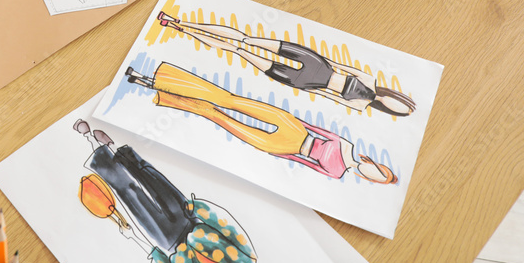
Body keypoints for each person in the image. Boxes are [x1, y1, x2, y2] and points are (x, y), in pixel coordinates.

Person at [74, 120, 275, 263]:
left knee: (130, 194)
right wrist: (197, 207)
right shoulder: (248, 262)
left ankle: (92, 144)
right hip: (188, 218)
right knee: (150, 177)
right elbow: (226, 225)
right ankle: (112, 145)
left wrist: (136, 238)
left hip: (167, 239)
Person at [125, 63, 398, 184]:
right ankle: (157, 78)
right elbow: (317, 130)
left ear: (367, 177)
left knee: (219, 117)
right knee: (229, 100)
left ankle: (154, 89)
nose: (372, 174)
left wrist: (275, 151)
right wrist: (289, 120)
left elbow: (305, 163)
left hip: (285, 147)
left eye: (376, 179)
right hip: (296, 129)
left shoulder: (338, 174)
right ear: (374, 164)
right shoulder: (347, 145)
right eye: (379, 172)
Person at [157, 12, 416, 117]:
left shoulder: (361, 105)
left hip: (308, 81)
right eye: (402, 104)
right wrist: (318, 60)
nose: (395, 105)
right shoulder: (369, 80)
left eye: (398, 110)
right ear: (399, 97)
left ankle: (179, 29)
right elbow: (338, 64)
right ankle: (181, 22)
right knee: (246, 39)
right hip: (318, 64)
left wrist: (301, 86)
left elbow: (326, 95)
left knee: (238, 50)